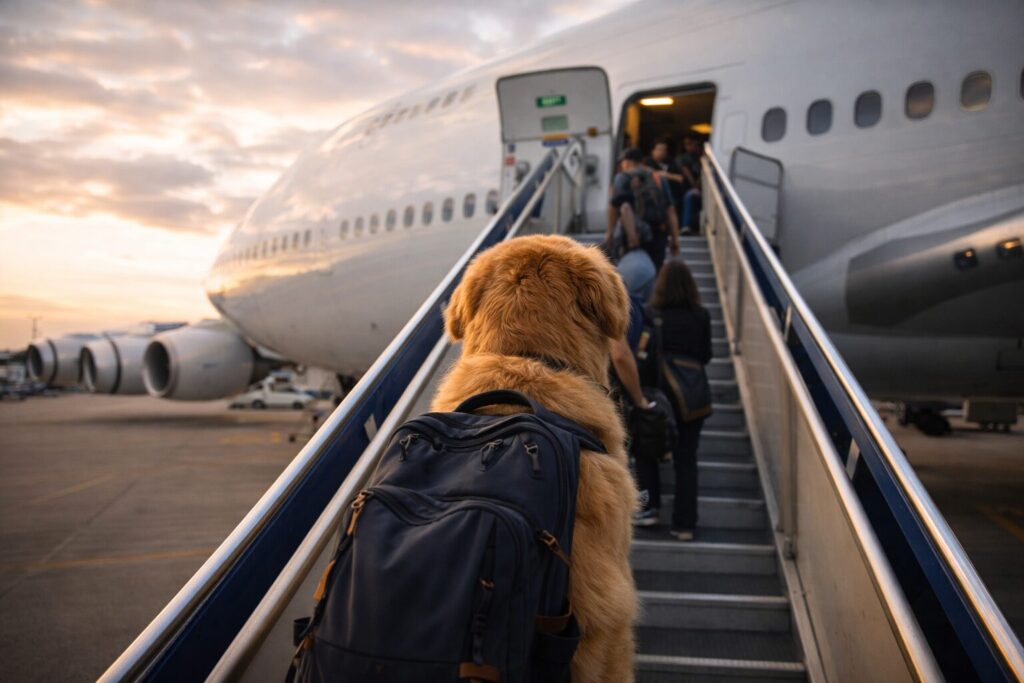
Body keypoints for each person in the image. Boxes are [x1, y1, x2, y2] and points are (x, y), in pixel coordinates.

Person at [633, 260, 712, 540]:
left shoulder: (653, 314)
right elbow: (706, 355)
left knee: (646, 451)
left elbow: (643, 355)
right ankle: (684, 524)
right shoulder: (701, 315)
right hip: (693, 398)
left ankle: (650, 507)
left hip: (660, 394)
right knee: (686, 460)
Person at [605, 148, 680, 271]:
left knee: (632, 275)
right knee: (656, 272)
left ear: (628, 162)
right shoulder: (658, 178)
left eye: (622, 163)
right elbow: (670, 210)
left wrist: (609, 233)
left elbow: (614, 207)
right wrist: (675, 239)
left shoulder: (622, 178)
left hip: (633, 235)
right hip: (658, 233)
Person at [676, 136, 704, 234]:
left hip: (703, 191)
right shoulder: (682, 158)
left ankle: (687, 226)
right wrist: (693, 183)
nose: (689, 147)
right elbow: (684, 170)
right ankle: (686, 226)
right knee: (690, 196)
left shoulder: (702, 158)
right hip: (686, 190)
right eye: (687, 144)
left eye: (692, 144)